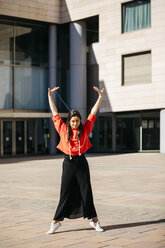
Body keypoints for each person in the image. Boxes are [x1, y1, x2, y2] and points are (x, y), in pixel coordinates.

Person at [47, 85, 104, 234]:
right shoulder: (63, 129)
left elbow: (93, 112)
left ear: (80, 121)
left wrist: (99, 97)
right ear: (69, 122)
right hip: (68, 163)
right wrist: (50, 97)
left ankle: (94, 220)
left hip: (81, 163)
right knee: (64, 192)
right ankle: (55, 222)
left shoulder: (85, 129)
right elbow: (54, 112)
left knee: (86, 192)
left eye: (77, 121)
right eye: (72, 121)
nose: (75, 124)